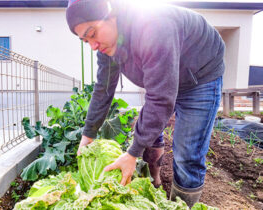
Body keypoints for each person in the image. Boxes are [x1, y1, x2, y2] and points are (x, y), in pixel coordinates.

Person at [66, 0, 225, 207]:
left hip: (199, 76)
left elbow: (161, 99)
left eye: (92, 33)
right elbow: (103, 90)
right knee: (148, 130)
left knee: (187, 155)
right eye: (85, 40)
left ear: (111, 15)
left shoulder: (154, 26)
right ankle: (155, 181)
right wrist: (88, 135)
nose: (93, 46)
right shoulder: (107, 47)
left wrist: (132, 153)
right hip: (164, 71)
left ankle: (181, 205)